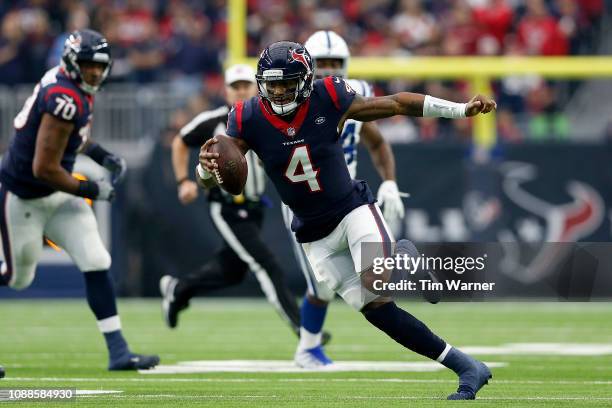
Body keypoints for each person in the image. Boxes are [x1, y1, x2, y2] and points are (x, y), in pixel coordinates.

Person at [198, 41, 496, 400]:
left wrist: (461, 110)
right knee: (378, 310)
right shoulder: (247, 116)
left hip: (351, 209)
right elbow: (225, 172)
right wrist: (205, 168)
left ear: (306, 80)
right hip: (312, 234)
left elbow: (397, 104)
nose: (278, 91)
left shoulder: (328, 95)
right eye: (272, 83)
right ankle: (467, 366)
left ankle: (404, 257)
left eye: (286, 83)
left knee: (375, 281)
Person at [0, 29, 159, 371]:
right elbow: (43, 167)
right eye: (88, 65)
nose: (95, 73)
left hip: (57, 193)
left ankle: (118, 351)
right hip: (25, 196)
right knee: (17, 277)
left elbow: (72, 136)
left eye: (99, 66)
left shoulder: (72, 87)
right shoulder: (63, 96)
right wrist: (91, 189)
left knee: (96, 259)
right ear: (72, 63)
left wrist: (101, 154)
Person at [286, 30, 405, 368]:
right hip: (304, 200)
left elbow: (377, 142)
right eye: (320, 63)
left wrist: (391, 182)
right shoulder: (291, 102)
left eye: (334, 63)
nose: (327, 70)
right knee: (322, 284)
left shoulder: (356, 95)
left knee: (370, 275)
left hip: (345, 197)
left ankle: (309, 348)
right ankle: (307, 348)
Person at [159, 64, 304, 339]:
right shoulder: (213, 121)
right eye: (234, 86)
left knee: (232, 271)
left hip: (256, 208)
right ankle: (303, 328)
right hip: (226, 207)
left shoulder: (267, 117)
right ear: (225, 91)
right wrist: (183, 181)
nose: (240, 91)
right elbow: (180, 141)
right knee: (266, 263)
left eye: (245, 85)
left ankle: (179, 290)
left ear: (257, 88)